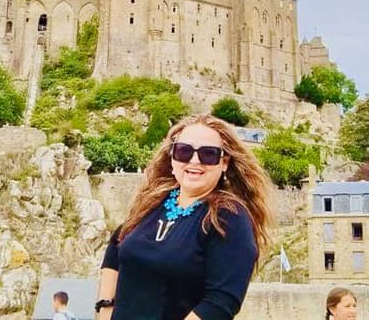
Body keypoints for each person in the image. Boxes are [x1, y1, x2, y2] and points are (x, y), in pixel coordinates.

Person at [96, 114, 275, 320]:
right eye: (184, 151)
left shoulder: (229, 217)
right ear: (172, 158)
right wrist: (105, 308)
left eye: (208, 154)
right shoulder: (153, 202)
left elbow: (221, 302)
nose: (194, 160)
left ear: (224, 162)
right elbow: (116, 245)